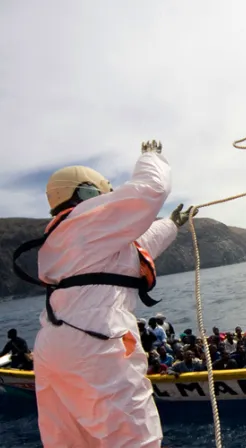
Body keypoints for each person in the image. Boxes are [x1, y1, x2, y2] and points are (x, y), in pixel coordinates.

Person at [16, 141, 198, 448]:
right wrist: (150, 156)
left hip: (54, 348)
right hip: (98, 338)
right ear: (87, 191)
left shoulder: (66, 237)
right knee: (133, 437)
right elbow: (152, 187)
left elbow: (129, 253)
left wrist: (170, 225)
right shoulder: (90, 218)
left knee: (69, 440)